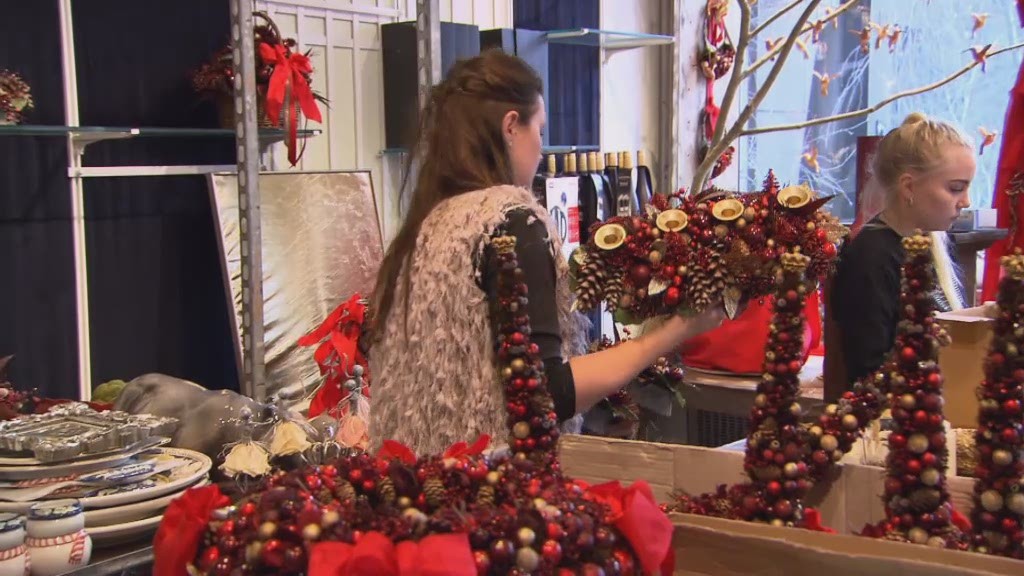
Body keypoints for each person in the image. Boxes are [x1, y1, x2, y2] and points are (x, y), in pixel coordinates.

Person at [367, 51, 725, 455]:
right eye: (539, 129)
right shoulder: (512, 222)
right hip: (491, 481)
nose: (541, 150)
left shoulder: (423, 230)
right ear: (510, 127)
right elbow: (545, 396)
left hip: (414, 480)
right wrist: (675, 331)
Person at [829, 112, 975, 398]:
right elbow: (869, 371)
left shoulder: (933, 244)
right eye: (956, 188)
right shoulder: (871, 258)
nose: (966, 201)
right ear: (909, 186)